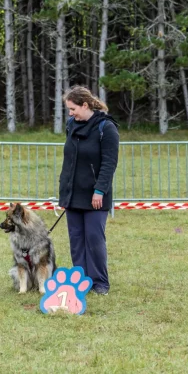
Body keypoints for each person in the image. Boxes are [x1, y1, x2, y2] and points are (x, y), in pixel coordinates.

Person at [58, 86, 119, 295]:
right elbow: (69, 161)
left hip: (95, 195)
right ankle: (80, 281)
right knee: (76, 240)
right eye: (68, 109)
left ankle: (100, 282)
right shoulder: (70, 125)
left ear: (85, 105)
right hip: (72, 193)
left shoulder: (106, 128)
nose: (70, 113)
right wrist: (64, 192)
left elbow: (109, 164)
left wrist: (100, 191)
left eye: (73, 108)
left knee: (94, 238)